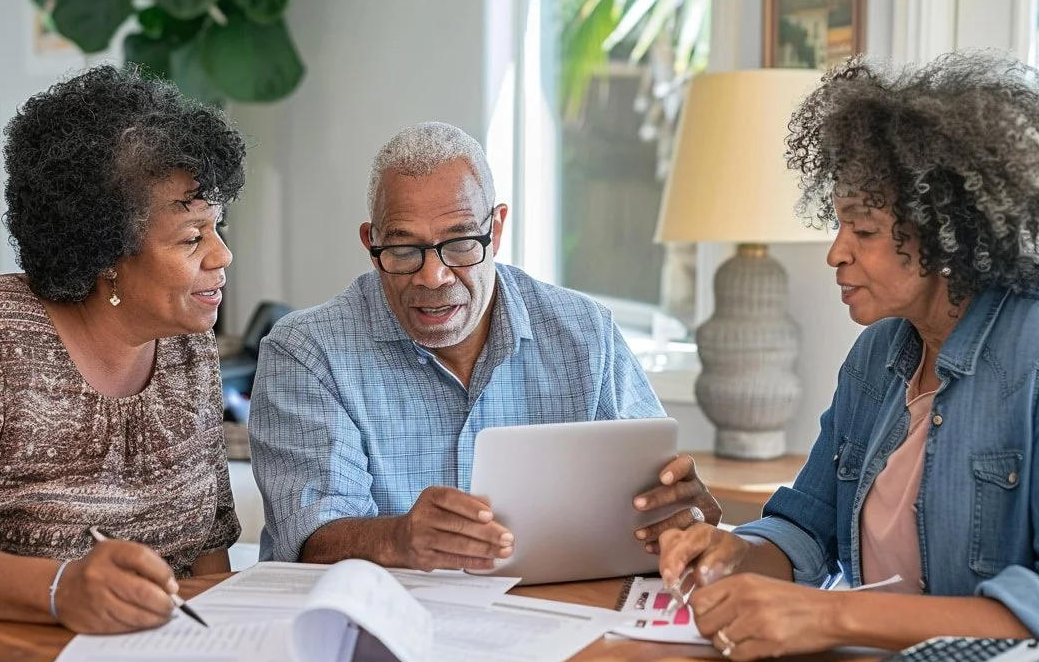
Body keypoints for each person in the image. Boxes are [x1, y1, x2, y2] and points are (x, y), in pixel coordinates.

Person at [658, 51, 1039, 662]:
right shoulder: (875, 357)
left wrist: (836, 614)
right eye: (840, 226)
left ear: (948, 232)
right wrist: (733, 552)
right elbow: (805, 529)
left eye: (863, 231)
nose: (836, 253)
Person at [0, 65, 245, 634]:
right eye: (192, 237)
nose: (222, 256)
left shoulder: (187, 347)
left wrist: (234, 646)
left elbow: (210, 541)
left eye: (216, 228)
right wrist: (57, 590)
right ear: (106, 253)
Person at [249, 122, 720, 568]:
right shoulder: (307, 352)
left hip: (558, 616)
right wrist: (399, 540)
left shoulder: (586, 333)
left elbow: (657, 497)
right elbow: (312, 537)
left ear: (496, 229)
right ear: (370, 242)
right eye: (403, 249)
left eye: (459, 244)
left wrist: (683, 513)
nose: (432, 277)